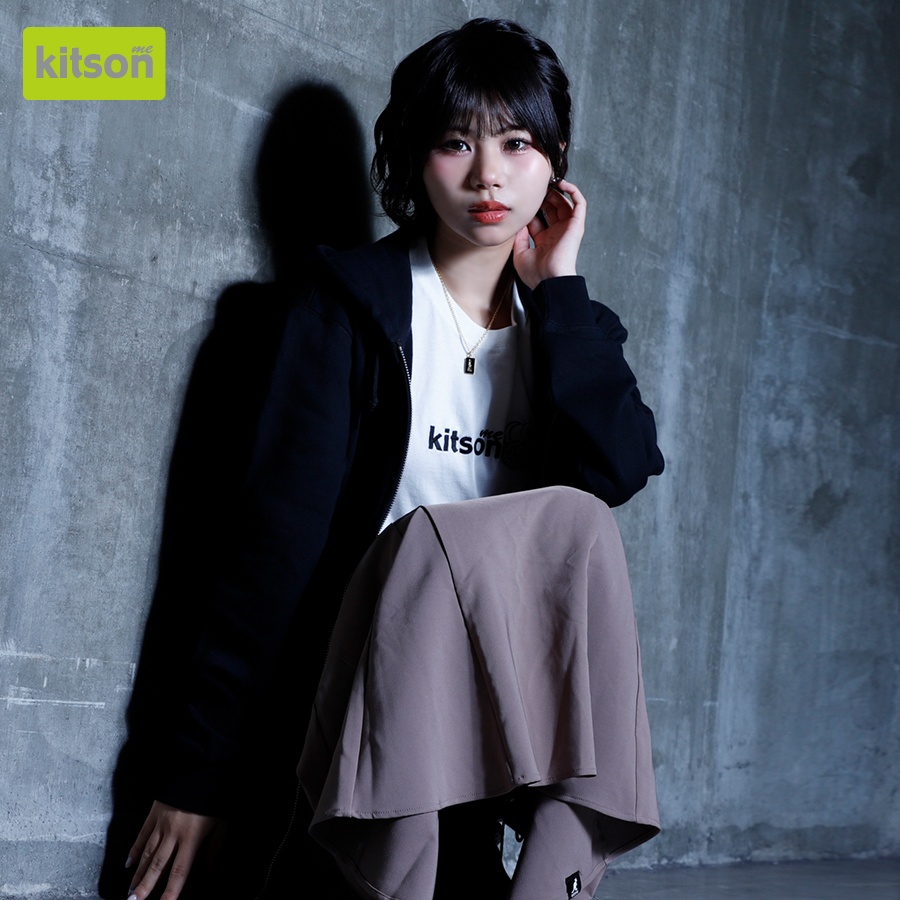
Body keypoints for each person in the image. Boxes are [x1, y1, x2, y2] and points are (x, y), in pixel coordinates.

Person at [124, 17, 664, 900]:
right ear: (415, 158)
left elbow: (619, 469)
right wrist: (200, 775)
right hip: (363, 695)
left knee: (580, 518)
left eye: (517, 144)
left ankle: (543, 866)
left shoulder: (568, 331)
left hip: (496, 718)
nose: (488, 176)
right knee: (427, 543)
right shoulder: (347, 309)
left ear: (556, 163)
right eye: (456, 143)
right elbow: (269, 552)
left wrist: (562, 292)